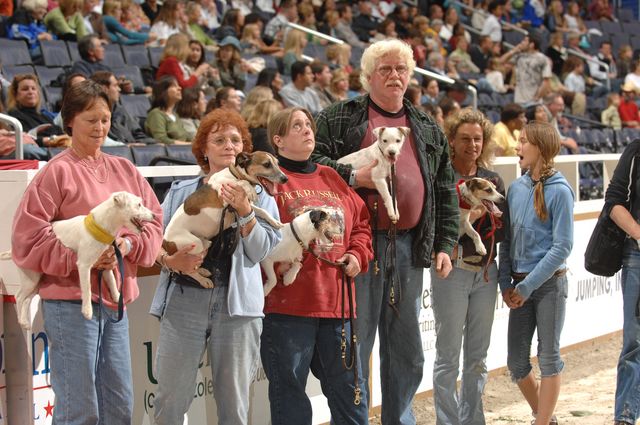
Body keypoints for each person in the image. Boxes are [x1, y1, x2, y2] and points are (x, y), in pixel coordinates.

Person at [313, 39, 459, 425]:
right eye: (385, 69)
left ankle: (400, 419)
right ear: (368, 76)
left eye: (401, 69)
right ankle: (353, 419)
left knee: (407, 349)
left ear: (410, 76)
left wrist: (444, 243)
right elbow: (311, 165)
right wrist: (352, 175)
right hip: (357, 247)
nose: (394, 76)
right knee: (354, 345)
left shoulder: (426, 126)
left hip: (409, 248)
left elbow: (445, 189)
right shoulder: (338, 117)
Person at [10, 79, 163, 423]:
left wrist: (126, 246)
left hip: (116, 302)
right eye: (90, 119)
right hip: (69, 303)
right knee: (80, 408)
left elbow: (153, 221)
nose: (100, 127)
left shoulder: (124, 169)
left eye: (105, 119)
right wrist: (84, 257)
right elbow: (27, 238)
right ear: (70, 122)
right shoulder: (55, 173)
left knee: (119, 403)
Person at [150, 108, 280, 425]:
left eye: (236, 140)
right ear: (203, 150)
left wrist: (247, 212)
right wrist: (169, 260)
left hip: (237, 309)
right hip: (183, 302)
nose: (229, 146)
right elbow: (153, 242)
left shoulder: (261, 195)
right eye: (219, 139)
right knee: (169, 402)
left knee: (234, 407)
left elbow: (263, 251)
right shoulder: (180, 190)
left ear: (245, 153)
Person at [261, 107, 373, 424]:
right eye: (297, 126)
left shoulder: (331, 176)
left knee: (351, 397)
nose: (307, 129)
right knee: (290, 400)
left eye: (308, 124)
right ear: (278, 139)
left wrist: (357, 254)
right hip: (287, 308)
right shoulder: (268, 184)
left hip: (338, 306)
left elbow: (362, 225)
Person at [431, 109, 505, 425]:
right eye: (465, 138)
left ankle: (473, 420)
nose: (472, 144)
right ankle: (448, 422)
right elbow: (433, 225)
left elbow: (504, 228)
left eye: (477, 138)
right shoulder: (441, 176)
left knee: (477, 358)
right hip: (453, 270)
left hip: (486, 273)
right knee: (448, 356)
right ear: (452, 140)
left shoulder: (493, 180)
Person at [498, 121, 574, 425]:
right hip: (518, 285)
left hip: (547, 286)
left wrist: (526, 286)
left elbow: (562, 247)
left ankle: (541, 421)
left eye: (523, 141)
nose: (517, 147)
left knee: (548, 357)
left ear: (539, 147)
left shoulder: (560, 191)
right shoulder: (516, 188)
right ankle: (545, 416)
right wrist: (506, 283)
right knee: (517, 362)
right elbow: (507, 240)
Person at [605, 138, 640, 425]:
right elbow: (614, 201)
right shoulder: (636, 150)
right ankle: (625, 416)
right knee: (634, 340)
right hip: (638, 255)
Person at [90, 70, 156, 144]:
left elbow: (138, 134)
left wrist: (155, 143)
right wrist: (127, 146)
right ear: (104, 89)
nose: (119, 89)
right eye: (115, 86)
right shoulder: (93, 116)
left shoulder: (120, 111)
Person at [7, 74, 66, 147]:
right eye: (25, 89)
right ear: (16, 95)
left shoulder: (45, 117)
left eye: (33, 88)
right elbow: (24, 141)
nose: (30, 92)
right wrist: (49, 140)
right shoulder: (13, 117)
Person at [145, 76, 191, 144]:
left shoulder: (175, 115)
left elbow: (186, 137)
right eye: (174, 86)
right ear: (164, 91)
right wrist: (188, 144)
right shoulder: (156, 114)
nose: (180, 88)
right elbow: (161, 139)